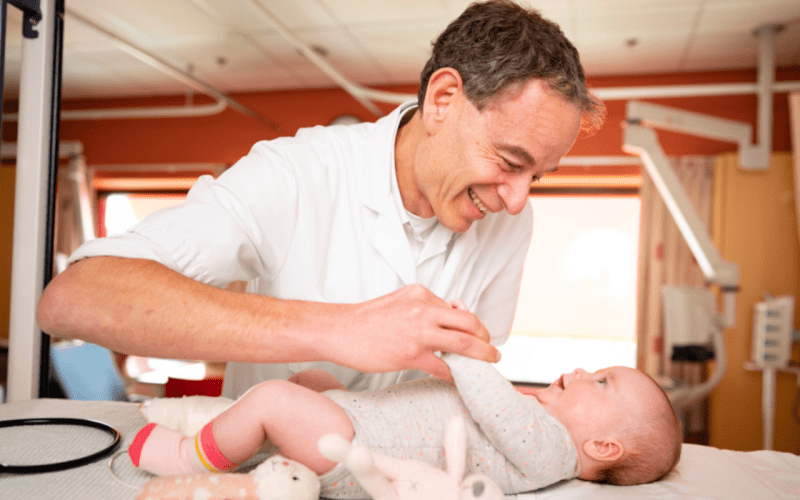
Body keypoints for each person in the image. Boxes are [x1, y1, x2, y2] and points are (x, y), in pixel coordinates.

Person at [36, 0, 605, 398]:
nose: (517, 199)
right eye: (510, 163)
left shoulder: (509, 221)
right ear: (443, 99)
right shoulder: (299, 172)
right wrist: (338, 328)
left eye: (540, 176)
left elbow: (466, 378)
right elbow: (76, 297)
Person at [128, 352, 682, 497]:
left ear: (603, 446)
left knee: (274, 397)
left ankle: (186, 460)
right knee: (312, 379)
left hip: (354, 452)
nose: (585, 371)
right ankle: (234, 431)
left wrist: (461, 352)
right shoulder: (541, 422)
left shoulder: (552, 452)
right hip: (357, 416)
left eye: (603, 383)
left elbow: (493, 404)